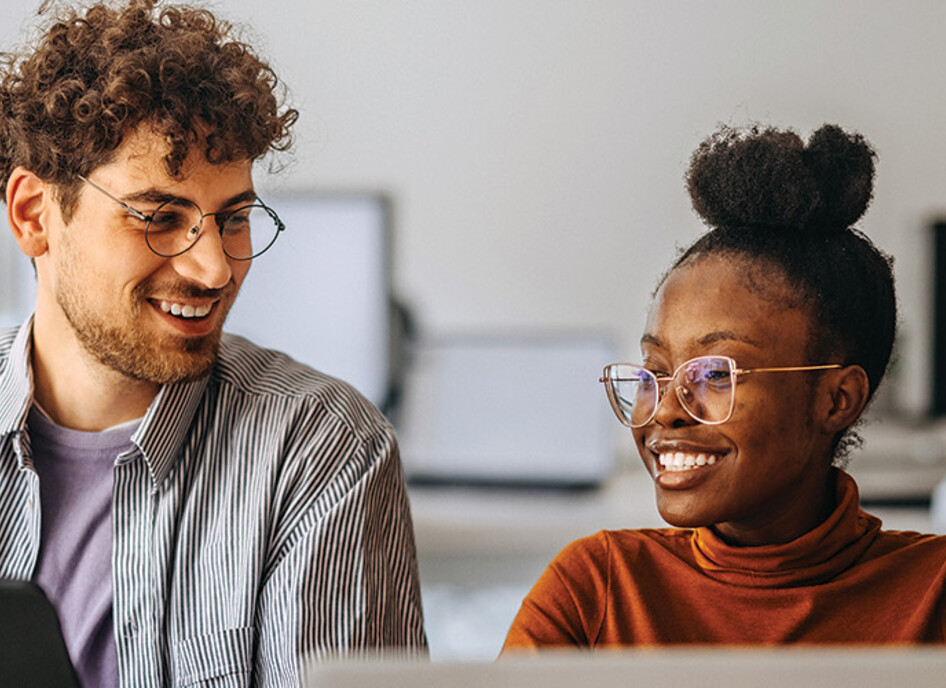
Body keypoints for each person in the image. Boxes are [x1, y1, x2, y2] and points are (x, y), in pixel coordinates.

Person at [0, 1, 426, 685]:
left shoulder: (321, 449)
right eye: (161, 218)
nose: (215, 269)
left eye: (233, 219)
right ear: (33, 215)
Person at [503, 123, 946, 648]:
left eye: (714, 374)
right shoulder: (598, 589)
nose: (665, 410)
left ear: (836, 398)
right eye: (656, 371)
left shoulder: (932, 596)